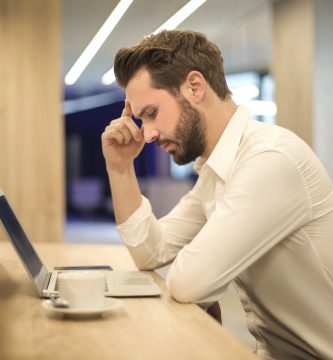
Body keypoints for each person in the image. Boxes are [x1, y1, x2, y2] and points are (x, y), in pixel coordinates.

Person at [101, 30, 333, 360]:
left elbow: (189, 282)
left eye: (151, 113)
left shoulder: (270, 160)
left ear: (194, 87)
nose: (147, 133)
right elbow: (151, 252)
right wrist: (121, 168)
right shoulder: (217, 170)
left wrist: (201, 264)